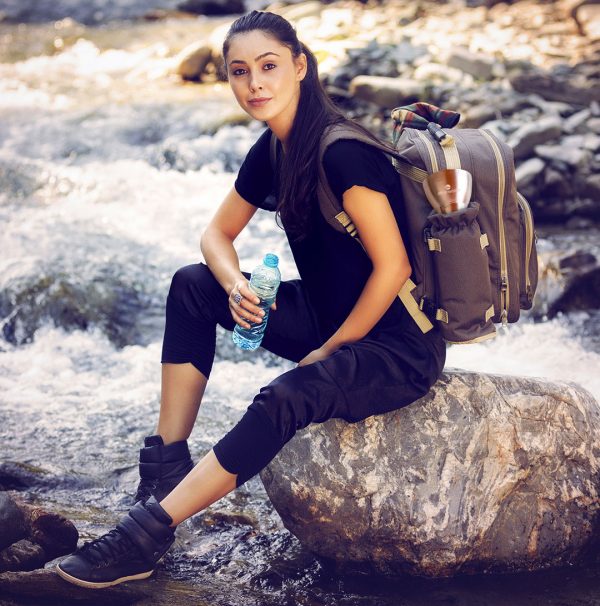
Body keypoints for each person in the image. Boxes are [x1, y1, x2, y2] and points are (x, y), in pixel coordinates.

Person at [55, 10, 446, 589]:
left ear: (299, 66)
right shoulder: (273, 150)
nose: (254, 84)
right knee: (194, 283)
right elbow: (216, 236)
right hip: (326, 315)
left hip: (395, 344)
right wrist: (236, 284)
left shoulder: (342, 153)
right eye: (240, 72)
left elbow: (394, 267)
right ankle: (166, 465)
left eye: (268, 66)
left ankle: (145, 536)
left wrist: (330, 351)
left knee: (286, 396)